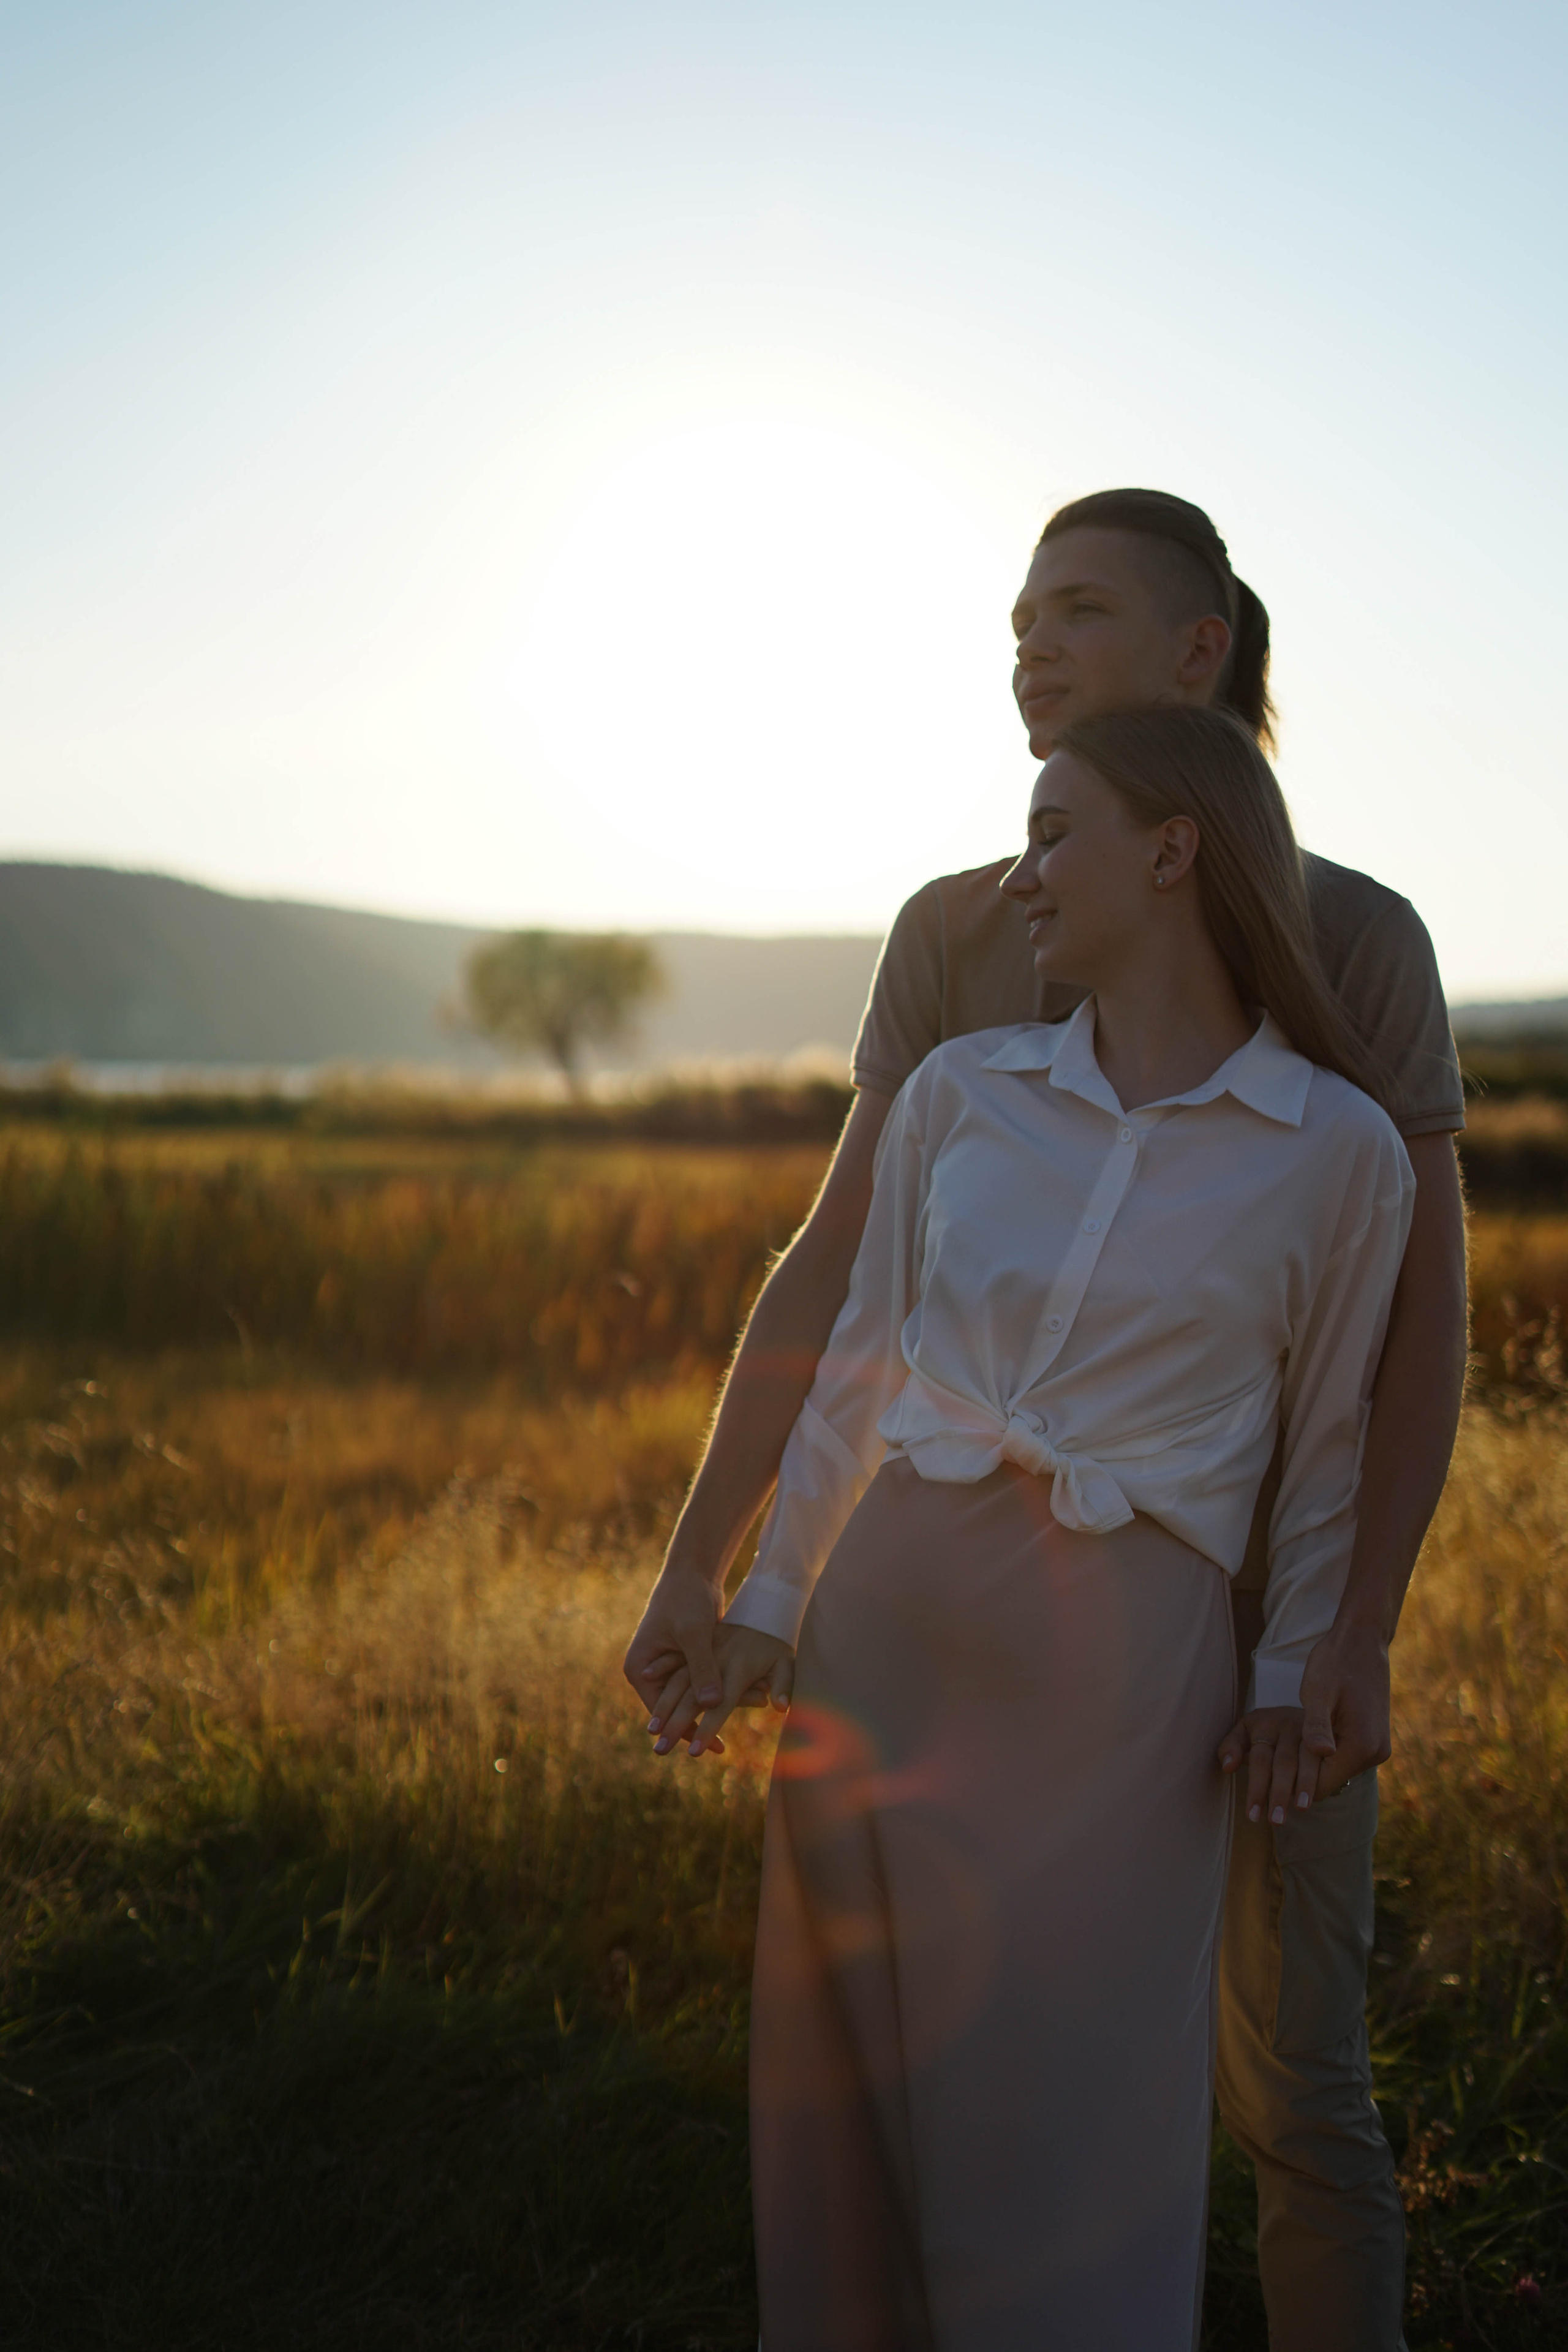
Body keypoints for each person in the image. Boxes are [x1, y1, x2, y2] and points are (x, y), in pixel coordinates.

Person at [625, 488, 1469, 2351]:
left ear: (1203, 651)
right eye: (1015, 615)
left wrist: (1348, 1633)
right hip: (949, 1632)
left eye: (1075, 608)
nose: (1028, 643)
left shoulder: (1360, 944)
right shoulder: (956, 939)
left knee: (1289, 2087)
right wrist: (717, 1565)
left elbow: (1407, 1336)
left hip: (1249, 1628)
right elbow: (835, 1283)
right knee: (931, 2082)